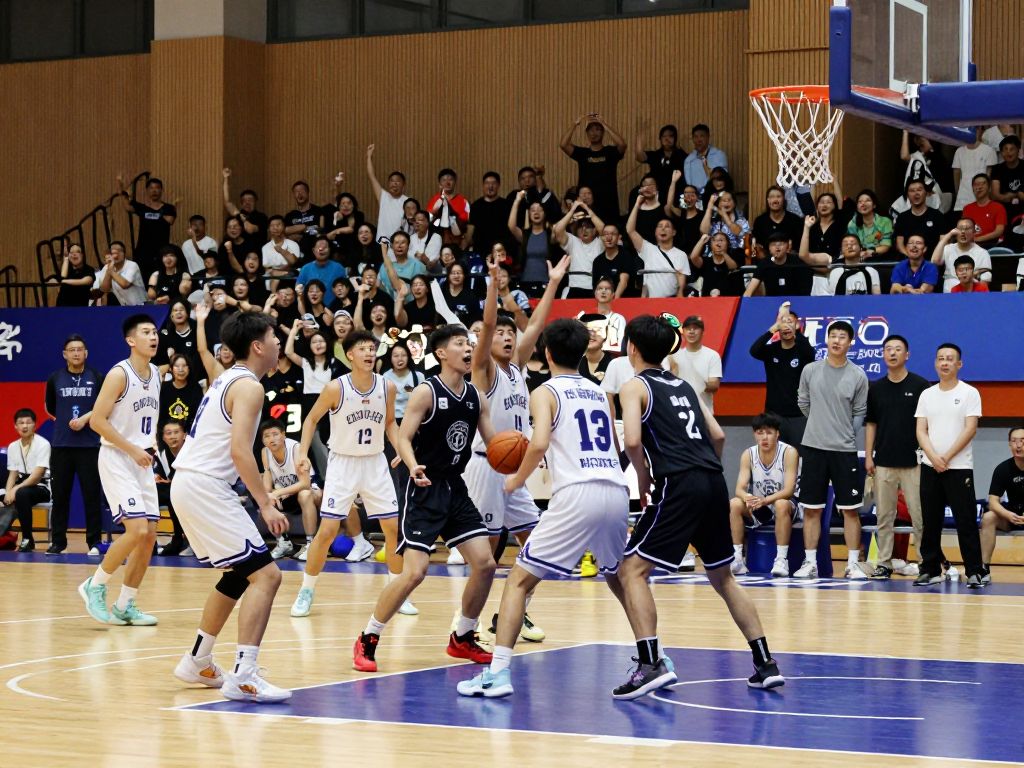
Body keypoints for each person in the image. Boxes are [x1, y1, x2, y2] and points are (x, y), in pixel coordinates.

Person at [456, 318, 630, 699]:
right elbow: (618, 446)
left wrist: (517, 479)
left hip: (577, 493)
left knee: (517, 581)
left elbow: (537, 444)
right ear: (583, 352)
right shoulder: (599, 391)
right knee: (622, 578)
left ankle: (498, 673)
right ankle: (654, 657)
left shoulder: (545, 390)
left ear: (546, 353)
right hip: (615, 490)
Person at [615, 314, 784, 698]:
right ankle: (765, 663)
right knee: (723, 577)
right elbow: (720, 435)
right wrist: (705, 470)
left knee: (632, 570)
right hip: (711, 479)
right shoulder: (685, 386)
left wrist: (644, 480)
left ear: (632, 348)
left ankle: (649, 664)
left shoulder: (633, 386)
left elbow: (632, 441)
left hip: (678, 482)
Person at [353, 325, 498, 673]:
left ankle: (462, 637)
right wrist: (411, 461)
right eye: (460, 343)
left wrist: (521, 451)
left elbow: (495, 444)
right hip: (423, 487)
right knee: (414, 573)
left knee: (486, 564)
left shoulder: (477, 396)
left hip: (455, 487)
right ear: (441, 353)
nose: (468, 348)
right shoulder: (425, 392)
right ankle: (368, 637)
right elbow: (402, 437)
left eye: (469, 343)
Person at [170, 311, 292, 702]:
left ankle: (198, 660)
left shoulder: (227, 377)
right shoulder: (250, 387)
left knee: (242, 574)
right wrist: (265, 504)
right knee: (268, 577)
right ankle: (244, 675)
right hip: (204, 485)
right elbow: (240, 451)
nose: (278, 344)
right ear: (258, 346)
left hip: (190, 482)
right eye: (274, 337)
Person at [465, 254, 569, 644]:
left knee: (538, 545)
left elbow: (538, 323)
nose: (507, 337)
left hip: (512, 469)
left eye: (511, 334)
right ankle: (465, 626)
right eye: (500, 334)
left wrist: (554, 282)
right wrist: (494, 287)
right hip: (485, 467)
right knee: (487, 559)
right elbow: (489, 321)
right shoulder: (484, 369)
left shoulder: (516, 367)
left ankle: (512, 612)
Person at [290, 330, 416, 619]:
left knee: (393, 529)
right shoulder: (336, 388)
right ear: (349, 355)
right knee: (328, 531)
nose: (370, 353)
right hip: (343, 463)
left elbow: (389, 425)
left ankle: (397, 593)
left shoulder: (387, 386)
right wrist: (301, 453)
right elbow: (310, 420)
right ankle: (306, 590)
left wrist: (405, 454)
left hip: (374, 462)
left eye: (372, 348)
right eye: (363, 349)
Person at [77, 314, 161, 625]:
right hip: (117, 457)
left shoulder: (154, 373)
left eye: (154, 332)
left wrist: (146, 450)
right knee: (136, 529)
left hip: (141, 459)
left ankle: (125, 604)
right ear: (131, 340)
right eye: (146, 332)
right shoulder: (118, 374)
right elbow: (97, 421)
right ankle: (94, 584)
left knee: (150, 535)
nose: (153, 337)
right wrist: (133, 449)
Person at [794, 321, 869, 580]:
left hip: (844, 450)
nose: (837, 341)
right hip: (814, 447)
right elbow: (803, 401)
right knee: (812, 509)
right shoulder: (810, 370)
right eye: (833, 336)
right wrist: (819, 422)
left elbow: (860, 411)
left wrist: (846, 432)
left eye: (842, 337)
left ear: (850, 343)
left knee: (850, 509)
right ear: (827, 341)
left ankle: (852, 564)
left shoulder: (858, 375)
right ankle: (810, 562)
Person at [914, 343, 985, 588]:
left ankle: (976, 570)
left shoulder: (969, 393)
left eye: (950, 359)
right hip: (930, 466)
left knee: (965, 520)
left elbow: (970, 429)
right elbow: (921, 430)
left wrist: (947, 457)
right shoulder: (927, 394)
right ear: (935, 363)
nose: (944, 363)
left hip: (959, 467)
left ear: (959, 364)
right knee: (930, 521)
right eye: (941, 358)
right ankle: (930, 569)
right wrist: (933, 457)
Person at [864, 334, 929, 579]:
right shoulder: (876, 388)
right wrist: (869, 456)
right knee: (884, 516)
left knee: (919, 515)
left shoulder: (921, 386)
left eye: (898, 349)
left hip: (914, 462)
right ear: (883, 355)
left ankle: (925, 562)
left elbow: (928, 425)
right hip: (884, 463)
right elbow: (871, 424)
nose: (892, 353)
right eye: (888, 349)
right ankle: (884, 563)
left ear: (907, 355)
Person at [44, 335, 103, 555]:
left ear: (86, 353)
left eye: (80, 349)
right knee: (60, 495)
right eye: (72, 350)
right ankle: (58, 542)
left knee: (91, 494)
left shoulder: (96, 377)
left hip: (90, 445)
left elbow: (104, 406)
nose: (76, 353)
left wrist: (86, 419)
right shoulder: (55, 378)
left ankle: (94, 542)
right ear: (65, 354)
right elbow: (51, 406)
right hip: (62, 445)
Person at [729, 413, 799, 577]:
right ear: (754, 434)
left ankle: (781, 559)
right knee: (735, 503)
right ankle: (738, 558)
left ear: (777, 433)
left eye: (769, 432)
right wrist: (747, 497)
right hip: (762, 508)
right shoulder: (748, 454)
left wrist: (765, 500)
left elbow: (789, 490)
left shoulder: (789, 452)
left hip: (788, 506)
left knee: (781, 503)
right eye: (760, 433)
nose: (764, 437)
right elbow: (739, 488)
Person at [748, 302, 815, 448]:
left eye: (790, 322)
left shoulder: (802, 350)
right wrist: (773, 328)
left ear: (798, 326)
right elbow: (754, 350)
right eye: (783, 323)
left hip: (799, 415)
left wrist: (796, 331)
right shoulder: (771, 350)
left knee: (800, 456)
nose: (786, 326)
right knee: (774, 455)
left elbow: (811, 354)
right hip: (774, 414)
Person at [260, 419, 320, 562]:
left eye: (275, 434)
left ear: (284, 435)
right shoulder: (265, 452)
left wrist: (278, 493)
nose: (271, 439)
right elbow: (268, 483)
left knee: (304, 495)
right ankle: (284, 542)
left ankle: (311, 545)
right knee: (265, 500)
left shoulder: (295, 448)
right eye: (267, 436)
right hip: (286, 495)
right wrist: (269, 495)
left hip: (312, 491)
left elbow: (305, 483)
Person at [559, 113, 627, 223]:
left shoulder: (610, 152)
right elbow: (563, 144)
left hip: (608, 203)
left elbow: (622, 145)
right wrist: (575, 124)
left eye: (597, 129)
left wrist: (604, 124)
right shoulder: (583, 153)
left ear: (603, 132)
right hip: (587, 203)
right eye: (590, 130)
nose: (594, 133)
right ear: (586, 133)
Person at [1, 409, 51, 553]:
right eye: (21, 423)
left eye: (28, 422)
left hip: (41, 486)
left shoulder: (43, 444)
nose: (25, 426)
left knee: (21, 494)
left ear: (35, 425)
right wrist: (8, 492)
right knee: (4, 495)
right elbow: (13, 474)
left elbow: (37, 476)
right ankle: (5, 535)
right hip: (21, 484)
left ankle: (27, 539)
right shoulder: (13, 446)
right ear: (15, 426)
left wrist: (15, 490)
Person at [979, 427, 1024, 581]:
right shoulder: (1003, 469)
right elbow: (993, 501)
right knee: (989, 517)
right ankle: (984, 568)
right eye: (1014, 441)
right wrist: (1007, 515)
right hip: (1012, 517)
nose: (1018, 445)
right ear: (1009, 445)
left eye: (1022, 441)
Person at [626, 195, 688, 297]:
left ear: (674, 232)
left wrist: (680, 296)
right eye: (660, 226)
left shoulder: (681, 255)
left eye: (667, 226)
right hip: (650, 302)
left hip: (671, 302)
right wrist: (637, 204)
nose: (663, 229)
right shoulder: (648, 249)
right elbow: (630, 230)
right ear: (655, 232)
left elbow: (681, 278)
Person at [116, 175, 177, 279]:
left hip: (161, 249)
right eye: (151, 188)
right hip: (143, 249)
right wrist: (122, 189)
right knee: (141, 276)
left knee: (159, 276)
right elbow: (127, 207)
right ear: (147, 191)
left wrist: (156, 212)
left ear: (161, 190)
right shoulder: (142, 208)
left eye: (157, 188)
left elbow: (170, 220)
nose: (154, 191)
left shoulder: (168, 208)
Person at [666, 315, 722, 413]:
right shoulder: (675, 356)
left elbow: (715, 385)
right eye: (688, 329)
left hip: (704, 412)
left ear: (703, 332)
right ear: (683, 332)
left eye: (695, 328)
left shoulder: (712, 355)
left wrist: (700, 384)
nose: (691, 331)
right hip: (680, 411)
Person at [553, 200, 606, 298]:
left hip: (593, 289)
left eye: (588, 227)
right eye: (581, 227)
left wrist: (587, 209)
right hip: (573, 287)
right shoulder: (573, 241)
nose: (584, 230)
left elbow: (603, 229)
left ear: (595, 230)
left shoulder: (599, 243)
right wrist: (572, 210)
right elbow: (557, 230)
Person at [154, 421, 191, 557]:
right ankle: (150, 543)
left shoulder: (192, 451)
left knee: (174, 493)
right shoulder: (161, 454)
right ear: (163, 437)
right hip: (174, 490)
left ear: (185, 435)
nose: (173, 436)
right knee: (150, 496)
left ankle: (189, 541)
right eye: (168, 433)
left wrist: (170, 481)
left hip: (194, 491)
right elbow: (159, 477)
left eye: (176, 432)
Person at [744, 231, 812, 297]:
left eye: (781, 244)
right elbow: (750, 290)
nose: (777, 247)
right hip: (771, 302)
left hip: (795, 302)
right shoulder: (764, 264)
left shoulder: (797, 263)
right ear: (769, 248)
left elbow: (805, 292)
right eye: (773, 245)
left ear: (787, 247)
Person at [932, 219, 993, 292]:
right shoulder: (948, 248)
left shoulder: (982, 252)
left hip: (971, 287)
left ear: (974, 232)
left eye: (967, 229)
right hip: (950, 285)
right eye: (960, 229)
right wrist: (948, 235)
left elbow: (986, 272)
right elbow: (935, 261)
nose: (963, 232)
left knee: (987, 275)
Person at [365, 144, 409, 239]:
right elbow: (371, 176)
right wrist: (369, 157)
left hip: (401, 243)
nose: (394, 184)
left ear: (403, 184)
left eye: (398, 181)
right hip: (382, 243)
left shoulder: (408, 201)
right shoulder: (383, 196)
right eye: (392, 181)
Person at [952, 128, 998, 214]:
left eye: (976, 128)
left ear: (981, 131)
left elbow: (990, 178)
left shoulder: (989, 150)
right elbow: (956, 174)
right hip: (962, 201)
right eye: (970, 128)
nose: (973, 131)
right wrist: (958, 194)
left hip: (982, 201)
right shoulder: (959, 151)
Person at [96, 241, 147, 307]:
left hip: (142, 305)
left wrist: (111, 272)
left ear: (124, 254)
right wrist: (109, 271)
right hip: (124, 307)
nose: (116, 254)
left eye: (119, 251)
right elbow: (104, 289)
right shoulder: (107, 267)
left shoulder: (132, 265)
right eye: (113, 252)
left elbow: (124, 284)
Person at [846, 189, 892, 259]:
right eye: (860, 202)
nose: (863, 204)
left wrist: (871, 251)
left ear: (874, 205)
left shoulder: (885, 222)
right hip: (859, 259)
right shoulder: (852, 224)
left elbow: (886, 245)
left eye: (867, 200)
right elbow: (851, 245)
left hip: (880, 258)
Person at [962, 174, 1006, 247]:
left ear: (989, 189)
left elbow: (999, 231)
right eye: (976, 184)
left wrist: (978, 239)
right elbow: (964, 229)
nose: (979, 187)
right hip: (971, 245)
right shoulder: (967, 208)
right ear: (972, 189)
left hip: (992, 244)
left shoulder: (998, 207)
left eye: (983, 184)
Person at [684, 123, 729, 193]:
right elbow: (688, 184)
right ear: (692, 139)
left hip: (715, 194)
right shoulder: (689, 160)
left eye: (702, 136)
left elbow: (723, 179)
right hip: (695, 198)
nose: (699, 140)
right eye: (695, 137)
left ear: (708, 137)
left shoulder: (719, 155)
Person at [990, 135, 1024, 218]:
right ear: (1001, 153)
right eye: (1005, 149)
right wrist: (1015, 195)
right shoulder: (997, 169)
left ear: (1018, 150)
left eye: (1012, 149)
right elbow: (995, 195)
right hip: (1003, 212)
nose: (1008, 152)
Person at [55, 242, 96, 307]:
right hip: (62, 307)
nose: (74, 254)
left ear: (82, 255)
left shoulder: (88, 269)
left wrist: (64, 281)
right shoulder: (66, 268)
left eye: (78, 252)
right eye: (71, 252)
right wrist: (66, 259)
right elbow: (61, 278)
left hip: (80, 308)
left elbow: (87, 281)